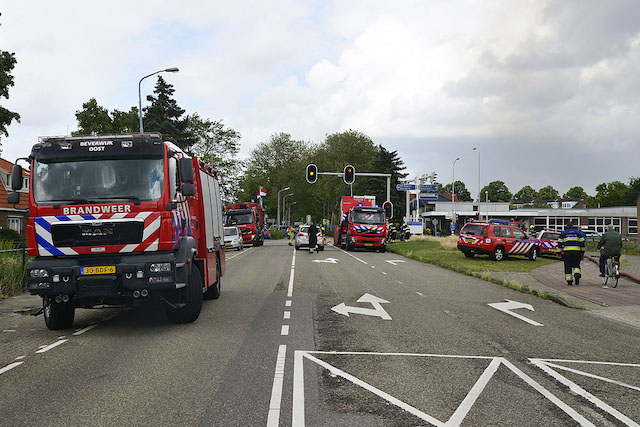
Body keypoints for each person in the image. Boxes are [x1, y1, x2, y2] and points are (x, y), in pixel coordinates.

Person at [557, 221, 586, 285]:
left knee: (568, 266)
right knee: (576, 264)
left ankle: (569, 281)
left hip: (567, 252)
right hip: (576, 251)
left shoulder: (563, 233)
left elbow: (560, 244)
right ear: (573, 226)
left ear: (566, 226)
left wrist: (558, 253)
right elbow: (582, 243)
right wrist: (582, 252)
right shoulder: (578, 233)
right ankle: (577, 273)